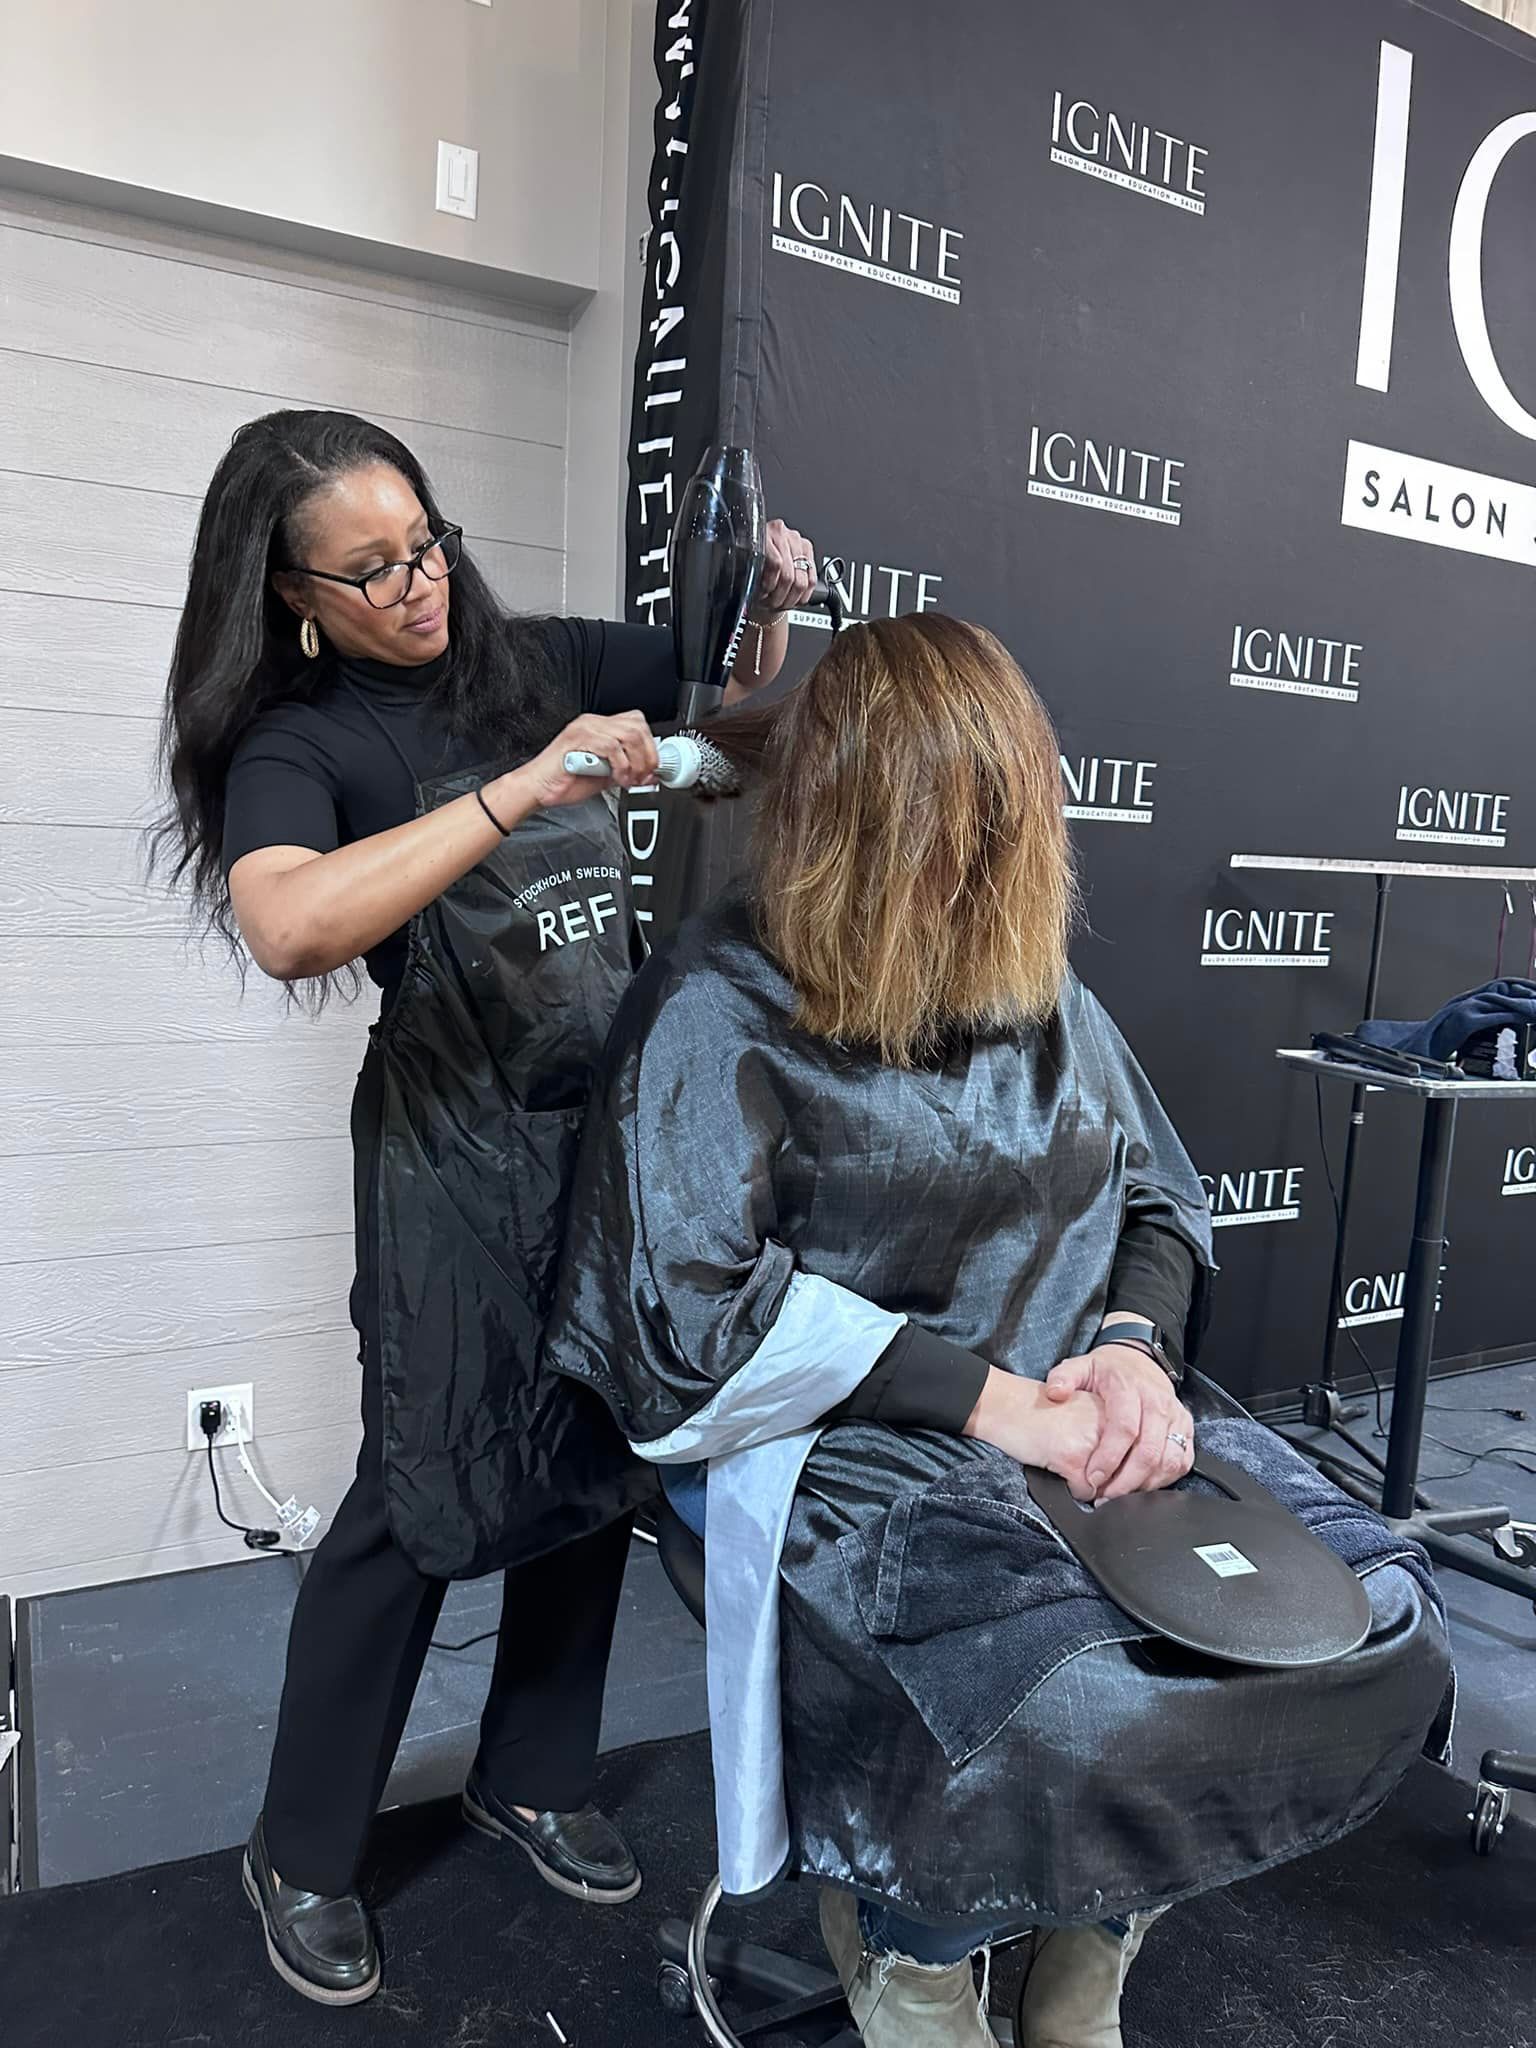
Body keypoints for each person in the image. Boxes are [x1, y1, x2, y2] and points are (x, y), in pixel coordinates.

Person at [542, 614, 1454, 2048]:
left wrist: (1137, 1355)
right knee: (1056, 1710)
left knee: (1339, 1625)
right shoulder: (715, 1010)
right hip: (827, 1439)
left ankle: (1094, 1942)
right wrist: (994, 1405)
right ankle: (915, 1952)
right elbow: (692, 1317)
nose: (977, 875)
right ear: (845, 823)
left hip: (1069, 1411)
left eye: (1000, 834)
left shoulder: (1039, 996)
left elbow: (1157, 1195)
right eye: (944, 838)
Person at [155, 407, 818, 2006]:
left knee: (591, 1449)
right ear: (298, 595)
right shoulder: (302, 744)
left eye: (426, 543)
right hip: (451, 1151)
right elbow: (293, 926)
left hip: (597, 1127)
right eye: (371, 571)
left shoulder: (525, 652)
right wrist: (516, 791)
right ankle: (302, 1848)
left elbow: (716, 681)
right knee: (422, 1486)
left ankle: (532, 1769)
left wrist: (769, 598)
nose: (418, 584)